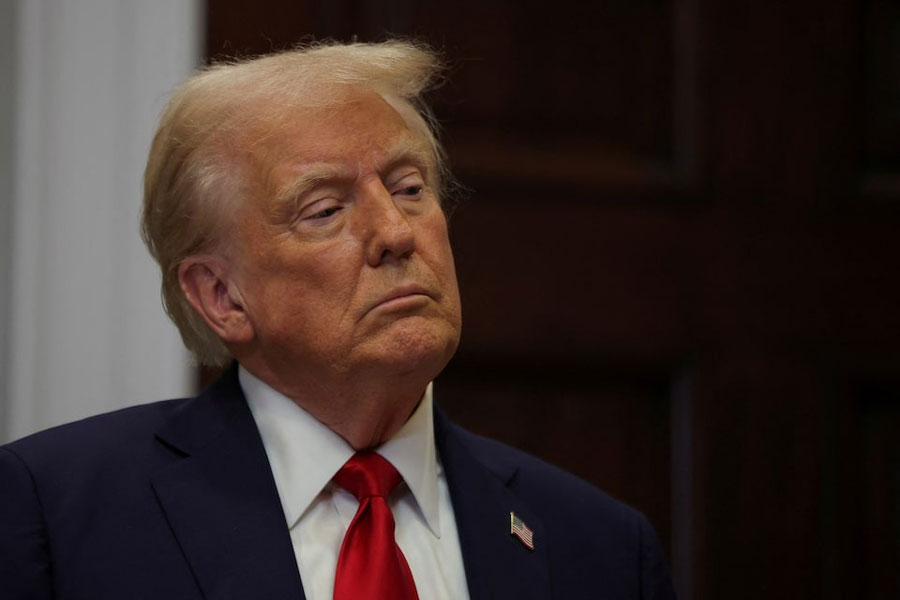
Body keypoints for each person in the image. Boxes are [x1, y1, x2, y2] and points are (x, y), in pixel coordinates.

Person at [0, 41, 676, 599]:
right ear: (221, 296)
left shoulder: (601, 547)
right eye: (325, 210)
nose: (396, 232)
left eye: (410, 188)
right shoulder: (55, 513)